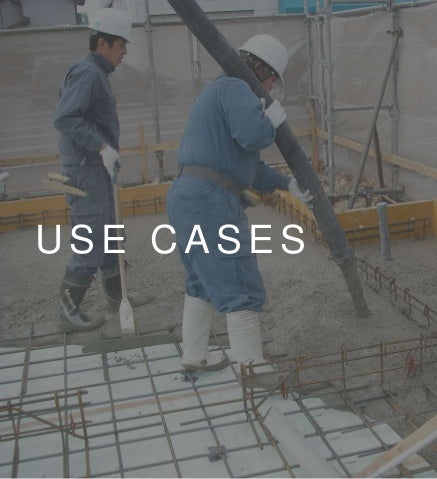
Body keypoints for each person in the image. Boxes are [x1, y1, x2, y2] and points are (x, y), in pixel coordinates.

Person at [167, 34, 313, 372]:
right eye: (274, 79)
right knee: (238, 278)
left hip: (187, 197)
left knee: (201, 279)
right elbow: (253, 136)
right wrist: (270, 122)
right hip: (210, 203)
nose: (272, 87)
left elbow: (247, 165)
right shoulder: (236, 88)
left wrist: (287, 184)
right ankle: (252, 367)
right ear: (261, 69)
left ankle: (195, 355)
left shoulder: (219, 92)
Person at [54, 8, 150, 332]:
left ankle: (116, 295)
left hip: (96, 166)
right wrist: (101, 146)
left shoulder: (95, 72)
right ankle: (68, 309)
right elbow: (65, 117)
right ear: (103, 43)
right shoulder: (88, 72)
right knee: (92, 234)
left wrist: (104, 151)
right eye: (121, 45)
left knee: (109, 230)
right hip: (87, 167)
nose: (124, 53)